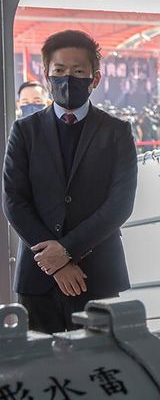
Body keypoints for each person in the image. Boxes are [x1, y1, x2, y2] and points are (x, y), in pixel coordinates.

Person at [2, 30, 138, 334]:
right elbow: (13, 199)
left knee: (101, 366)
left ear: (95, 78)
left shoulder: (117, 132)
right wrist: (56, 262)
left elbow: (120, 204)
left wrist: (67, 251)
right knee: (41, 369)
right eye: (59, 71)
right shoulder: (25, 131)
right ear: (47, 74)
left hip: (98, 273)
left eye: (78, 72)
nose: (68, 79)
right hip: (39, 275)